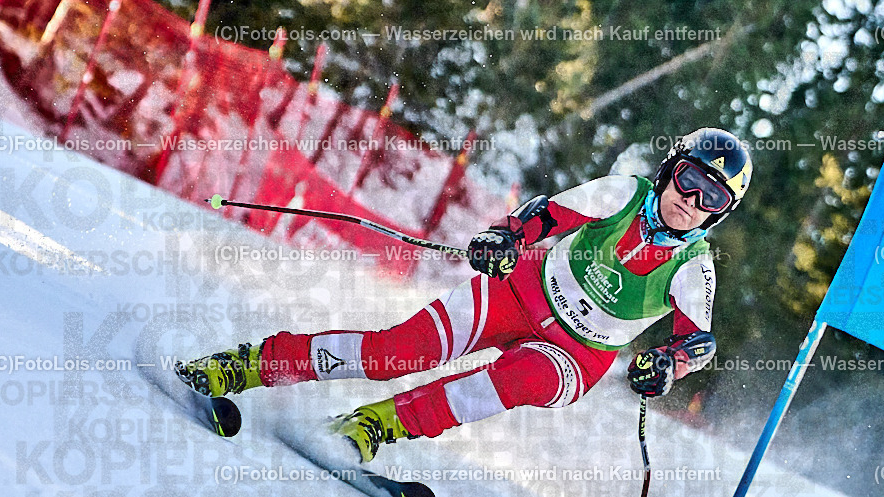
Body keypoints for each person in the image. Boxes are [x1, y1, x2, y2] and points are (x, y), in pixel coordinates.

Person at [176, 128, 752, 462]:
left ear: (719, 214)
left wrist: (666, 367)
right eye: (689, 180)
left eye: (711, 198)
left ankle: (375, 425)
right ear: (670, 170)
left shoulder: (694, 266)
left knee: (518, 379)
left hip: (577, 355)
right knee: (398, 352)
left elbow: (695, 344)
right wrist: (506, 237)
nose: (691, 201)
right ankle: (247, 365)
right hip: (522, 292)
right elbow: (547, 214)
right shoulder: (623, 193)